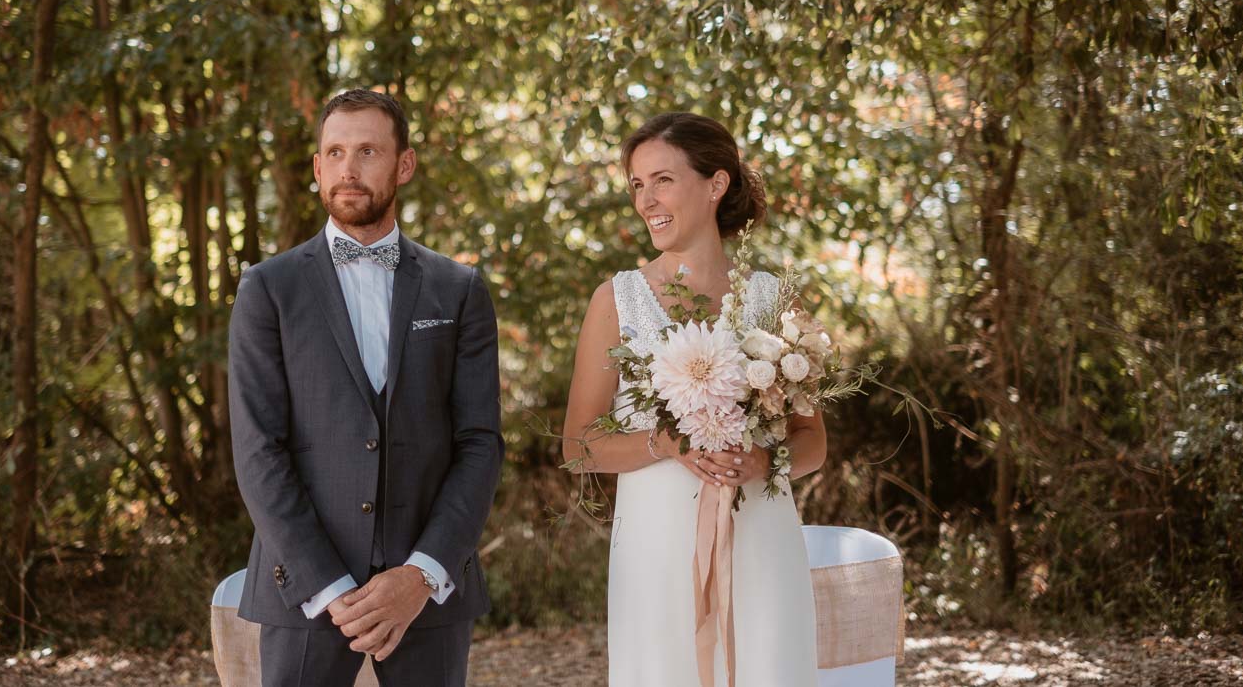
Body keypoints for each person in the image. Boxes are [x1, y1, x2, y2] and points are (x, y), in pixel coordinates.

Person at [229, 89, 503, 687]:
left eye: (368, 151)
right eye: (335, 152)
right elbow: (257, 452)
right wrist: (332, 591)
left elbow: (480, 443)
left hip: (427, 599)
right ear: (318, 168)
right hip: (304, 594)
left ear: (403, 164)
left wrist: (421, 575)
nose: (349, 168)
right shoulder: (267, 290)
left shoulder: (458, 289)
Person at [562, 111, 825, 686]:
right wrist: (663, 443)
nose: (645, 199)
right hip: (656, 550)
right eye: (636, 184)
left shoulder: (771, 299)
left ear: (716, 184)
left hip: (762, 536)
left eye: (662, 179)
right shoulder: (617, 302)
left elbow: (813, 443)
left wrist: (763, 461)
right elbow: (580, 446)